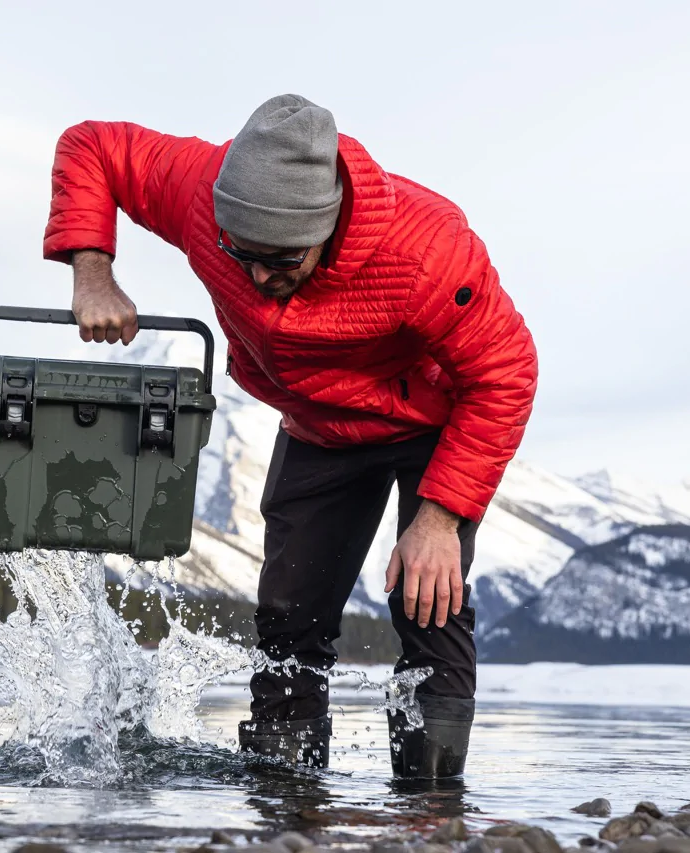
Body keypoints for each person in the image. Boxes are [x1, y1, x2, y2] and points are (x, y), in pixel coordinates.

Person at [41, 94, 538, 779]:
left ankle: (431, 816)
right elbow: (91, 144)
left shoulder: (427, 249)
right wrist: (92, 269)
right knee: (287, 624)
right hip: (318, 424)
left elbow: (506, 370)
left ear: (326, 227)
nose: (259, 277)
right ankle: (287, 808)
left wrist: (442, 515)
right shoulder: (200, 188)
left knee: (428, 604)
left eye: (281, 259)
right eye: (241, 254)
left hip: (429, 420)